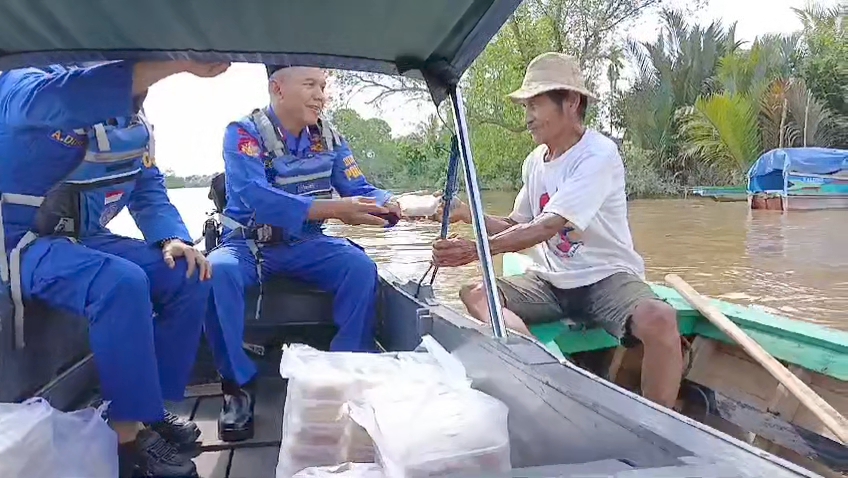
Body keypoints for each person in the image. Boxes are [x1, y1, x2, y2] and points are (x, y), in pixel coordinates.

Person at [0, 60, 230, 477]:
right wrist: (174, 64)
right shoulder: (21, 86)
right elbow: (66, 98)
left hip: (84, 236)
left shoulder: (132, 120)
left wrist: (170, 237)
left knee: (189, 273)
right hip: (18, 242)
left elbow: (146, 186)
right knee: (121, 282)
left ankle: (150, 408)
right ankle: (128, 443)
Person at [431, 52, 683, 408]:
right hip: (551, 281)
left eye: (536, 105)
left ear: (571, 102)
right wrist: (465, 213)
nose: (528, 117)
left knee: (659, 319)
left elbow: (549, 226)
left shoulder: (598, 155)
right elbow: (518, 225)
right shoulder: (535, 162)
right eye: (526, 107)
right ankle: (546, 377)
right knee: (476, 293)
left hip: (604, 277)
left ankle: (660, 425)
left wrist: (476, 250)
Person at [203, 64, 403, 443]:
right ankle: (236, 386)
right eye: (310, 84)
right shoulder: (243, 134)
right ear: (277, 89)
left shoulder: (328, 136)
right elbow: (253, 196)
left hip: (306, 243)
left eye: (323, 85)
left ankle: (345, 371)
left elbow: (357, 186)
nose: (321, 95)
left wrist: (388, 203)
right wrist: (334, 209)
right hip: (247, 244)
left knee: (359, 267)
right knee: (217, 272)